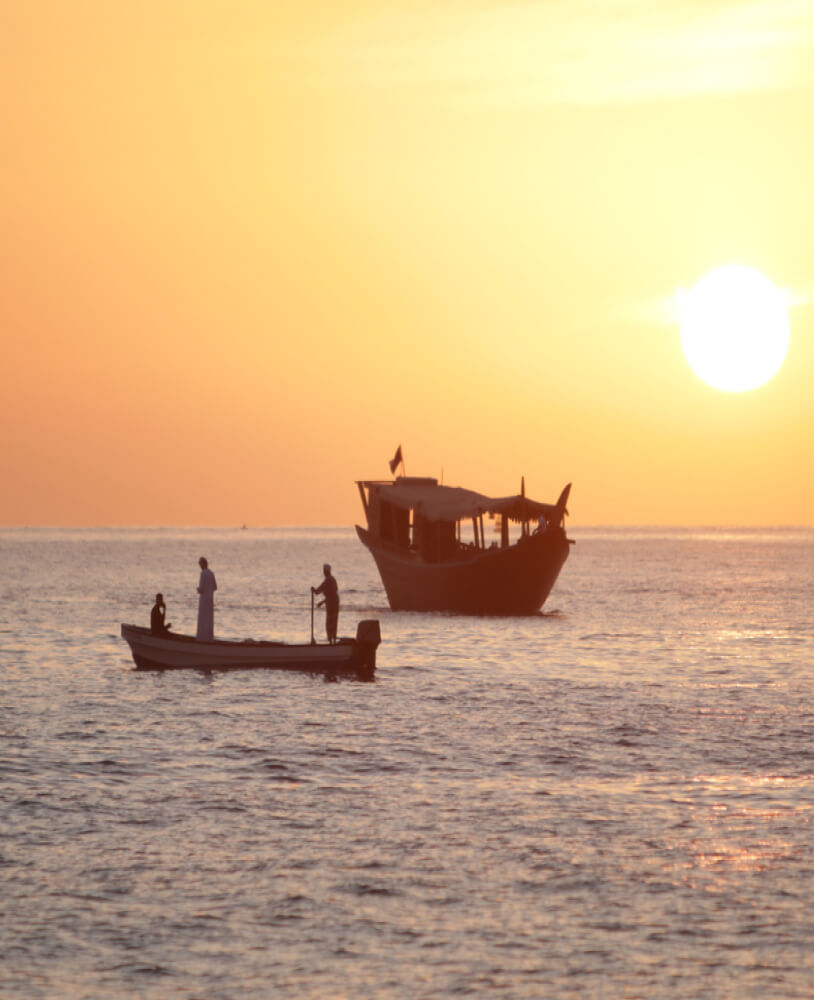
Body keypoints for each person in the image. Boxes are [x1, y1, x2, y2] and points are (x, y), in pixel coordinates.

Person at [311, 563, 339, 644]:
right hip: (334, 602)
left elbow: (318, 591)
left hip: (332, 604)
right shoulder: (332, 579)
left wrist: (313, 590)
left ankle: (331, 640)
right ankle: (332, 640)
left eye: (324, 571)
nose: (323, 572)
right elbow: (331, 595)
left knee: (330, 622)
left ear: (326, 571)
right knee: (333, 621)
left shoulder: (328, 580)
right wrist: (322, 602)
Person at [196, 556, 217, 641]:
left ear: (203, 564)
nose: (200, 566)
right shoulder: (211, 573)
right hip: (210, 599)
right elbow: (215, 587)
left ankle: (202, 638)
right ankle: (209, 638)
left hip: (204, 600)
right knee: (209, 620)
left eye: (200, 564)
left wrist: (198, 589)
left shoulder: (203, 573)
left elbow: (201, 589)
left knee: (202, 620)